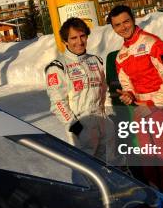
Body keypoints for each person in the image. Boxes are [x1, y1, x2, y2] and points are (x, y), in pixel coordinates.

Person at [107, 5, 163, 200]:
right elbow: (129, 87)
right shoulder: (120, 56)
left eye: (126, 21)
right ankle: (157, 204)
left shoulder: (154, 44)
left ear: (133, 19)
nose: (123, 27)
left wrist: (151, 105)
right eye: (117, 25)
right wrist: (128, 96)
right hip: (141, 112)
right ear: (113, 28)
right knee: (149, 161)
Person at [45, 17, 113, 162]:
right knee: (84, 171)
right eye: (73, 38)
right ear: (65, 41)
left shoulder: (96, 61)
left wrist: (109, 115)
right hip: (81, 127)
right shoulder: (58, 67)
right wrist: (77, 128)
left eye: (82, 36)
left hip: (102, 124)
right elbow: (58, 104)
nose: (79, 41)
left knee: (108, 168)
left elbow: (104, 91)